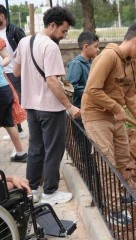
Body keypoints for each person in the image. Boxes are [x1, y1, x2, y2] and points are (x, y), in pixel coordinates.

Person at [81, 21, 136, 224]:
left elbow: (130, 97)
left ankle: (121, 193)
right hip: (96, 115)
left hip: (114, 115)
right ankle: (113, 209)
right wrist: (115, 108)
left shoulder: (131, 62)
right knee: (107, 162)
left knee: (122, 157)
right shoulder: (107, 57)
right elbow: (92, 90)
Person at [13, 6, 80, 205]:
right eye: (63, 30)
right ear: (52, 25)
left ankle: (32, 188)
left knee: (35, 148)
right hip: (50, 108)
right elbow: (52, 81)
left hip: (31, 106)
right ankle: (50, 191)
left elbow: (16, 72)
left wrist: (31, 82)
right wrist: (69, 106)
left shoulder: (24, 41)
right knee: (54, 149)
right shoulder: (50, 47)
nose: (63, 35)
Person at [0, 4, 27, 141]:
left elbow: (25, 49)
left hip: (15, 71)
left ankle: (21, 129)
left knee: (20, 100)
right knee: (12, 103)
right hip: (3, 73)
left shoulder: (14, 30)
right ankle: (18, 129)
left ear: (2, 16)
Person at [0, 37, 28, 163]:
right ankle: (21, 153)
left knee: (9, 123)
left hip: (2, 90)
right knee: (8, 123)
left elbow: (7, 57)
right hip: (5, 89)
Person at [66, 31, 100, 108]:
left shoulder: (93, 63)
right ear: (86, 47)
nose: (98, 50)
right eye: (95, 46)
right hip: (80, 109)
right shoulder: (76, 64)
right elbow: (71, 87)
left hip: (91, 106)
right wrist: (92, 92)